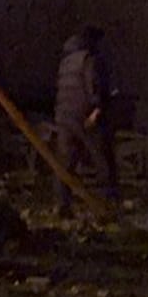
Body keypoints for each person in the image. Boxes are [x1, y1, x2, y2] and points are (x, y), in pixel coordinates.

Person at [54, 25, 119, 215]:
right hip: (84, 115)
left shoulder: (66, 61)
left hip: (63, 116)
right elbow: (93, 85)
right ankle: (107, 202)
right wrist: (97, 110)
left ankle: (61, 204)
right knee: (102, 157)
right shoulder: (89, 59)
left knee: (65, 163)